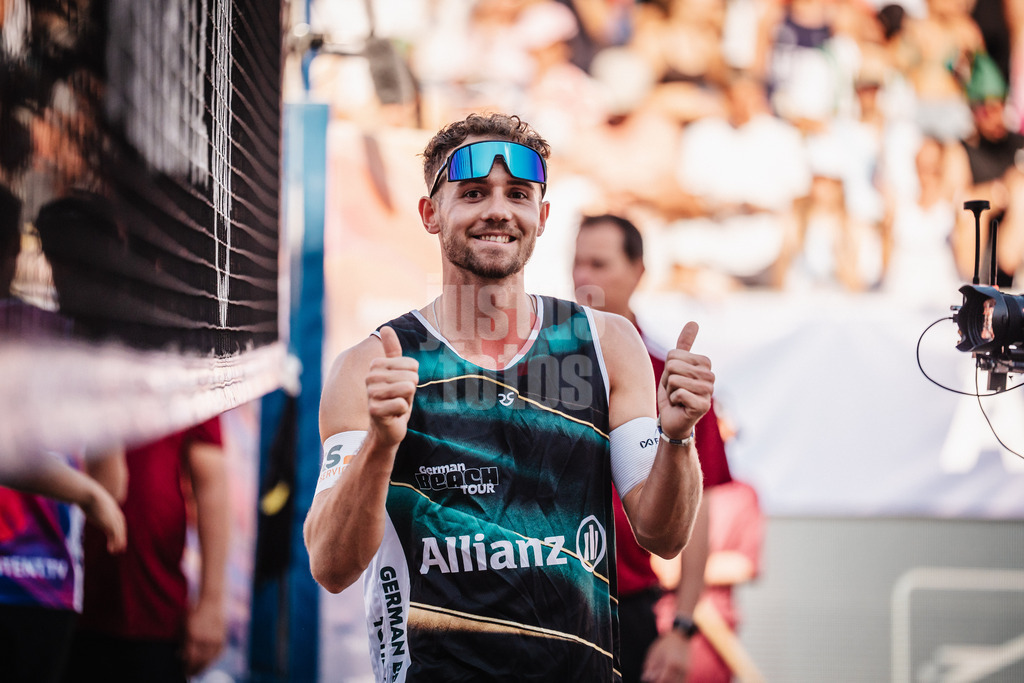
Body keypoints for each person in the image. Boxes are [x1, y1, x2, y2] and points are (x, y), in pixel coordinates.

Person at [303, 112, 712, 681]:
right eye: (472, 193)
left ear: (541, 217)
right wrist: (379, 446)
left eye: (517, 194)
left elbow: (662, 535)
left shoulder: (605, 344)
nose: (498, 209)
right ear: (430, 213)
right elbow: (330, 566)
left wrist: (677, 437)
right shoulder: (372, 366)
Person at [573, 213, 733, 683]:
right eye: (577, 263)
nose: (584, 277)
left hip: (629, 607)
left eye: (600, 264)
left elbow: (698, 514)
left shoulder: (674, 377)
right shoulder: (540, 369)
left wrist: (682, 628)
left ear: (639, 271)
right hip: (547, 601)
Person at [0, 187, 128, 683]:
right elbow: (108, 489)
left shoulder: (79, 344)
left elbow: (110, 486)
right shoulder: (79, 345)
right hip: (44, 593)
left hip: (45, 590)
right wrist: (87, 492)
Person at [62, 416, 230, 683]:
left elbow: (211, 482)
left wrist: (211, 602)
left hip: (154, 600)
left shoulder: (186, 373)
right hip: (61, 593)